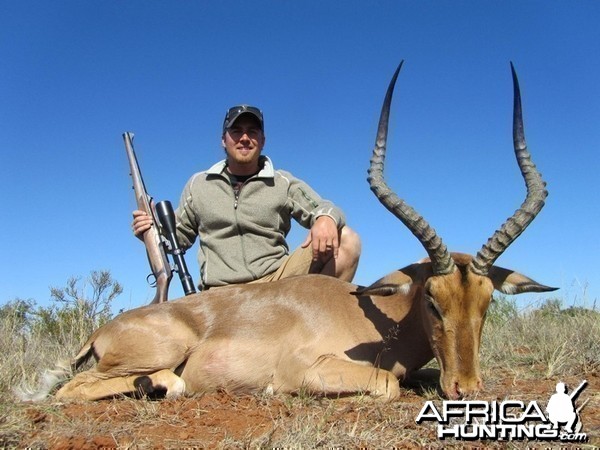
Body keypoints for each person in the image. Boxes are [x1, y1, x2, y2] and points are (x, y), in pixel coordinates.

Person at [132, 104, 361, 290]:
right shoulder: (198, 184)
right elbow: (178, 239)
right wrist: (151, 233)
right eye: (236, 131)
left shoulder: (282, 181)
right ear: (224, 139)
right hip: (220, 292)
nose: (244, 138)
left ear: (262, 141)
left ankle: (314, 330)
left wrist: (326, 218)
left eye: (252, 132)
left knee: (347, 240)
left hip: (276, 282)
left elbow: (324, 207)